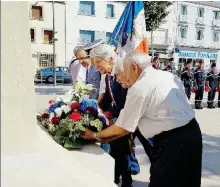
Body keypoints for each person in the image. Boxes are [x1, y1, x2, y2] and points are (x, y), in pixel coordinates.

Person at [82, 51, 202, 187]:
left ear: (134, 68)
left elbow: (123, 127)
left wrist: (94, 135)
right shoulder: (168, 75)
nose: (125, 76)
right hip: (193, 134)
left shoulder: (140, 87)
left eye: (126, 71)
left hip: (172, 143)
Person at [90, 44, 136, 187]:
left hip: (131, 119)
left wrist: (112, 115)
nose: (97, 67)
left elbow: (125, 100)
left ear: (110, 59)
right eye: (94, 64)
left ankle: (126, 181)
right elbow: (110, 98)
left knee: (126, 151)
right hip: (118, 117)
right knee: (117, 150)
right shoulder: (108, 76)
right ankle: (117, 179)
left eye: (98, 62)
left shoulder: (123, 71)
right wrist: (96, 109)